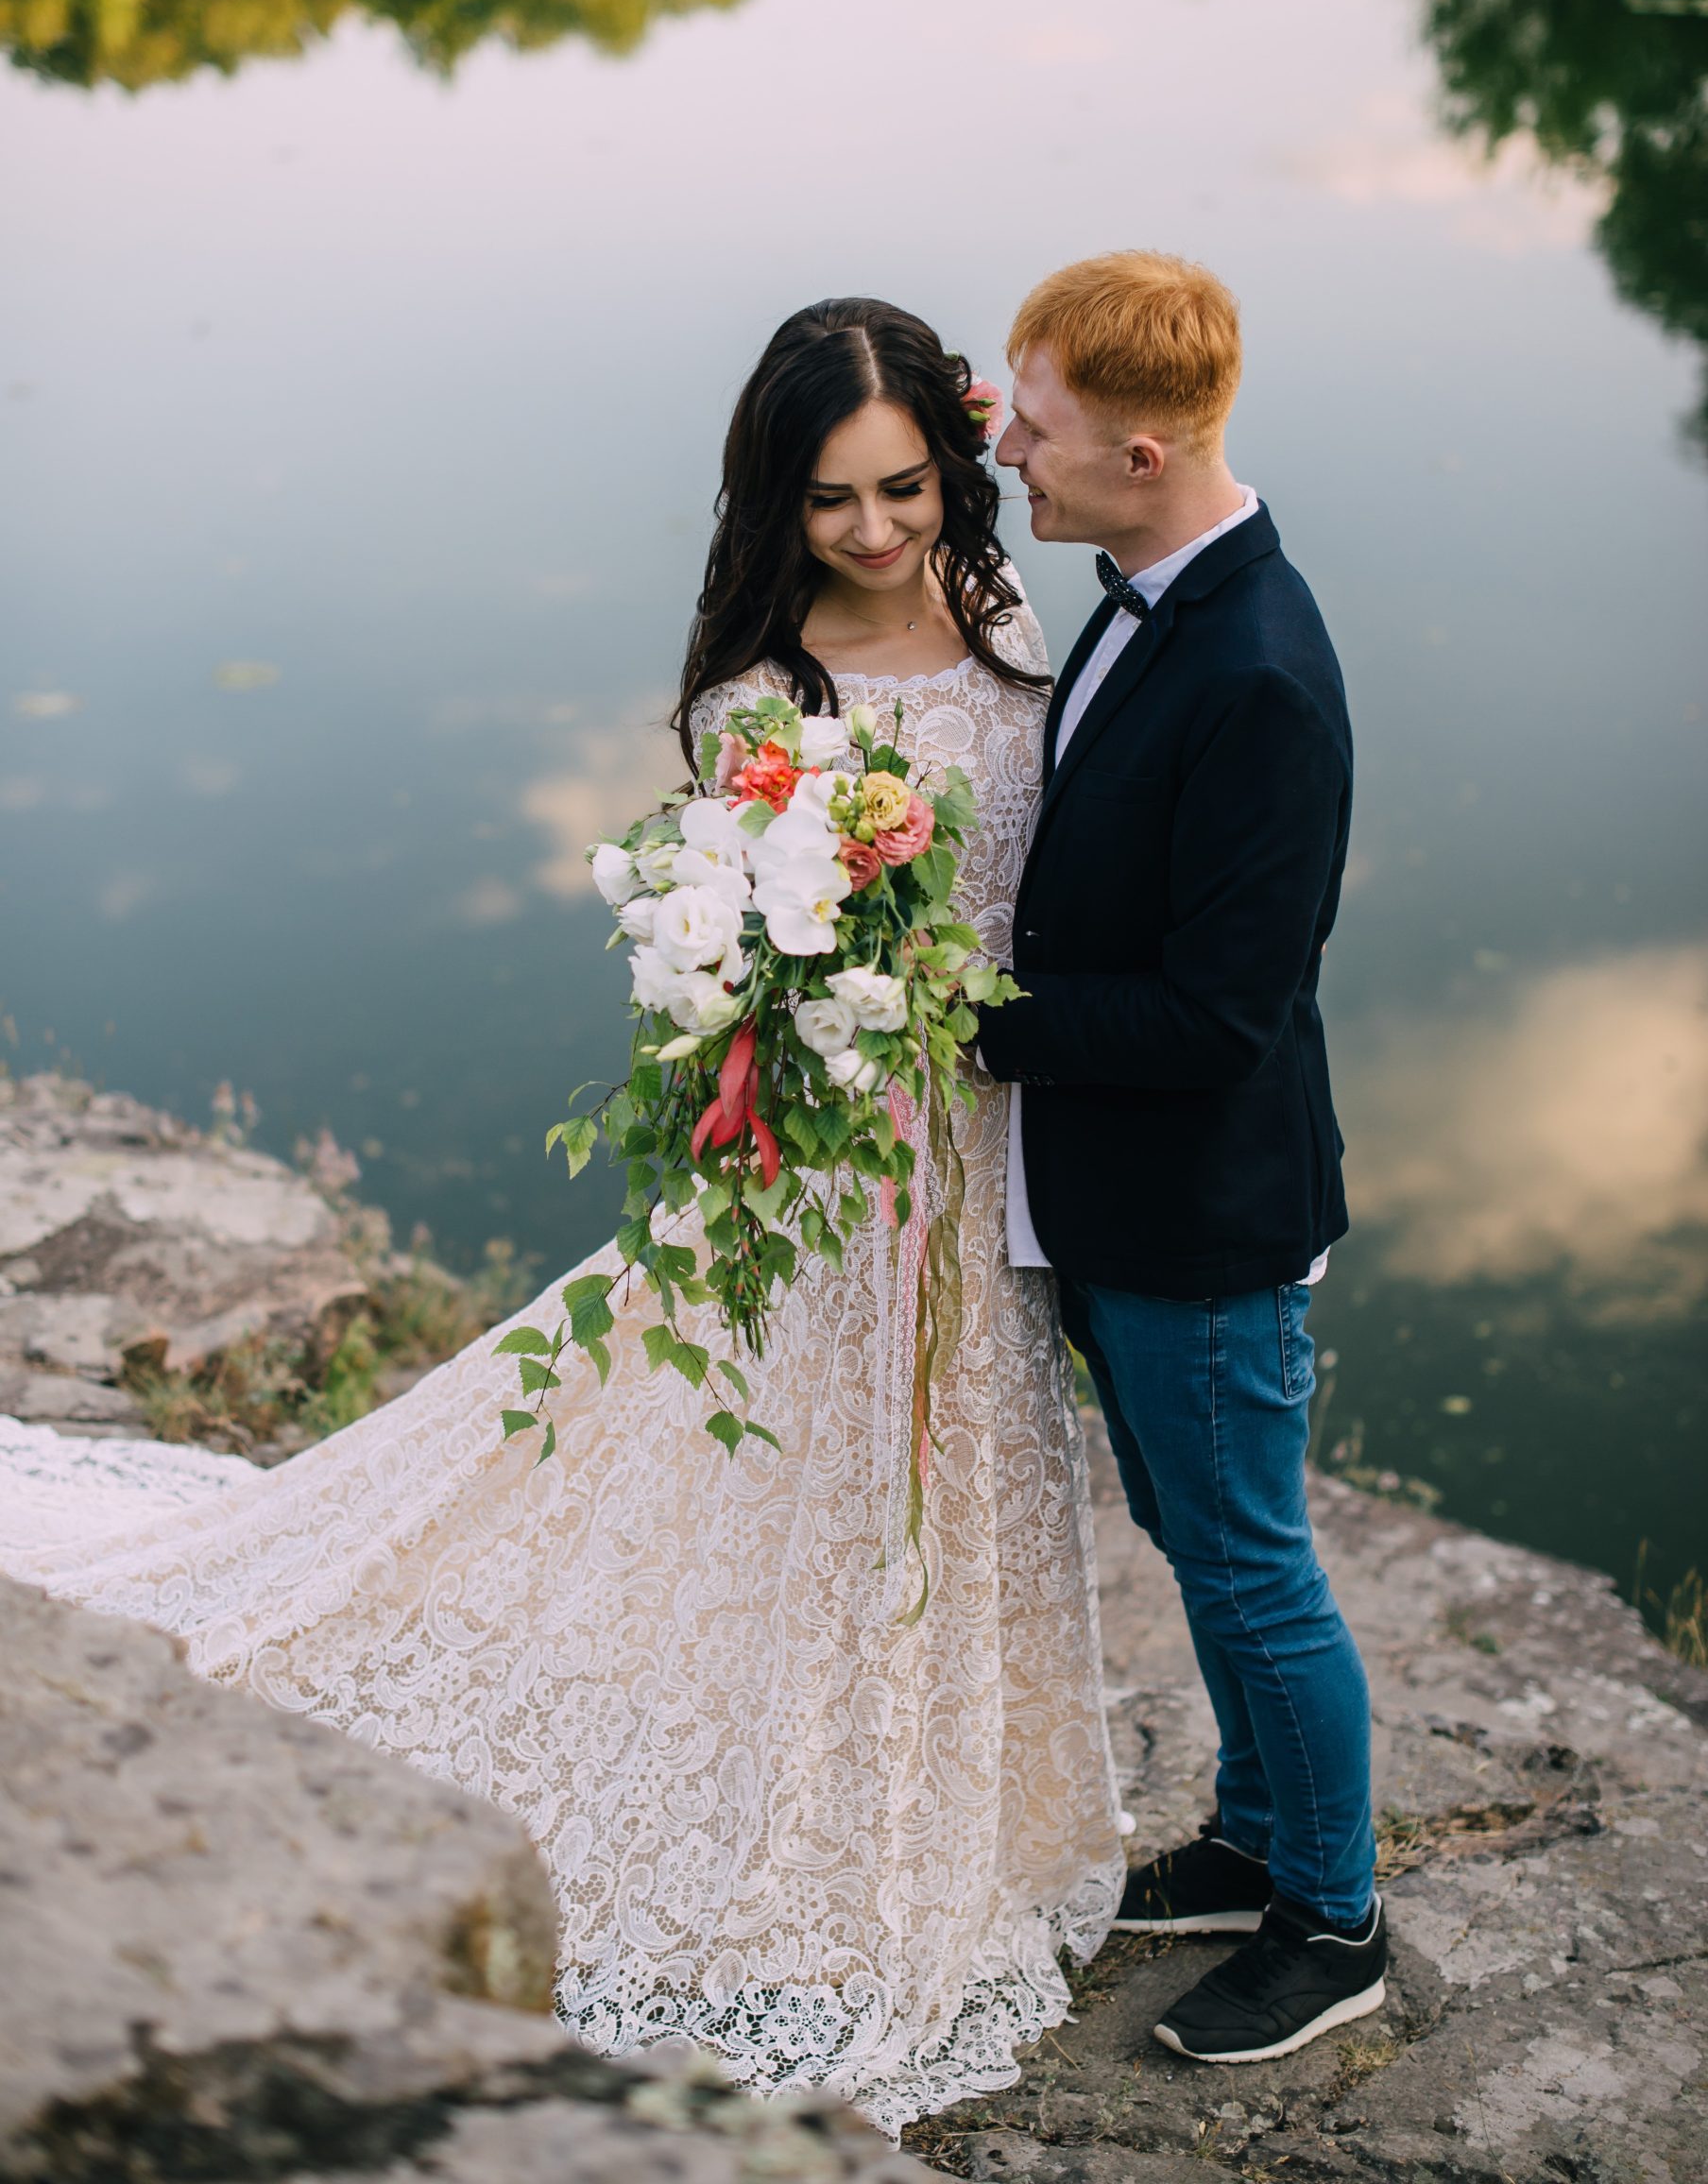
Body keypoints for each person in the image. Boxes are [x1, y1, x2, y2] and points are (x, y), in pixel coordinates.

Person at [0, 297, 1123, 2139]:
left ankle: (959, 1779)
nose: (873, 532)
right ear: (778, 501)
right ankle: (787, 1783)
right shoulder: (766, 697)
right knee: (797, 1471)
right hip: (837, 1154)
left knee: (958, 1453)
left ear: (951, 459)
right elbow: (752, 949)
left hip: (985, 1139)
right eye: (831, 499)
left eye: (904, 485)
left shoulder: (1005, 621)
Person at [981, 250, 1385, 2064]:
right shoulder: (1144, 585)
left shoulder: (1261, 675)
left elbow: (1219, 1020)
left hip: (1206, 1218)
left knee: (1247, 1562)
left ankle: (1337, 1917)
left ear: (1143, 451)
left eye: (1038, 422)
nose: (1007, 446)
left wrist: (972, 1021)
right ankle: (1251, 1841)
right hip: (1121, 1200)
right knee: (1192, 1530)